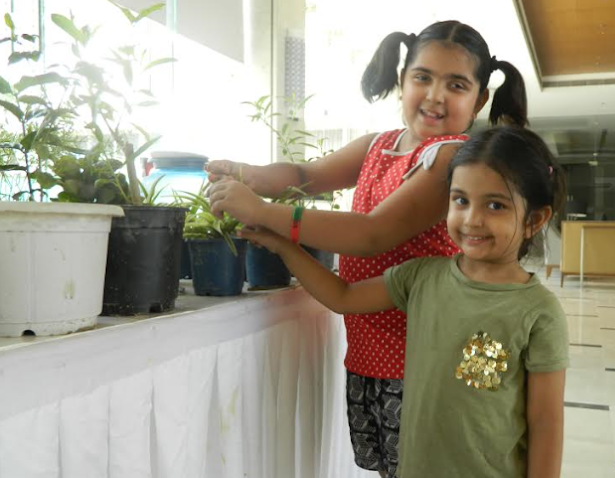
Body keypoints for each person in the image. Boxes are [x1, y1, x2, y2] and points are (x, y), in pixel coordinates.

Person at [207, 21, 528, 478]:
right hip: (371, 353)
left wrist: (262, 210)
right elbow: (304, 175)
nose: (435, 95)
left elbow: (372, 234)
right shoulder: (378, 145)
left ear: (478, 101)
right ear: (402, 80)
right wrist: (248, 174)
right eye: (423, 77)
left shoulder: (453, 157)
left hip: (429, 361)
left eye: (456, 85)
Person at [239, 126, 569, 478]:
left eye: (495, 205)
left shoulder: (539, 313)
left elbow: (545, 422)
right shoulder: (421, 277)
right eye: (460, 200)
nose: (472, 219)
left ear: (534, 220)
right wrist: (286, 248)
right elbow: (342, 296)